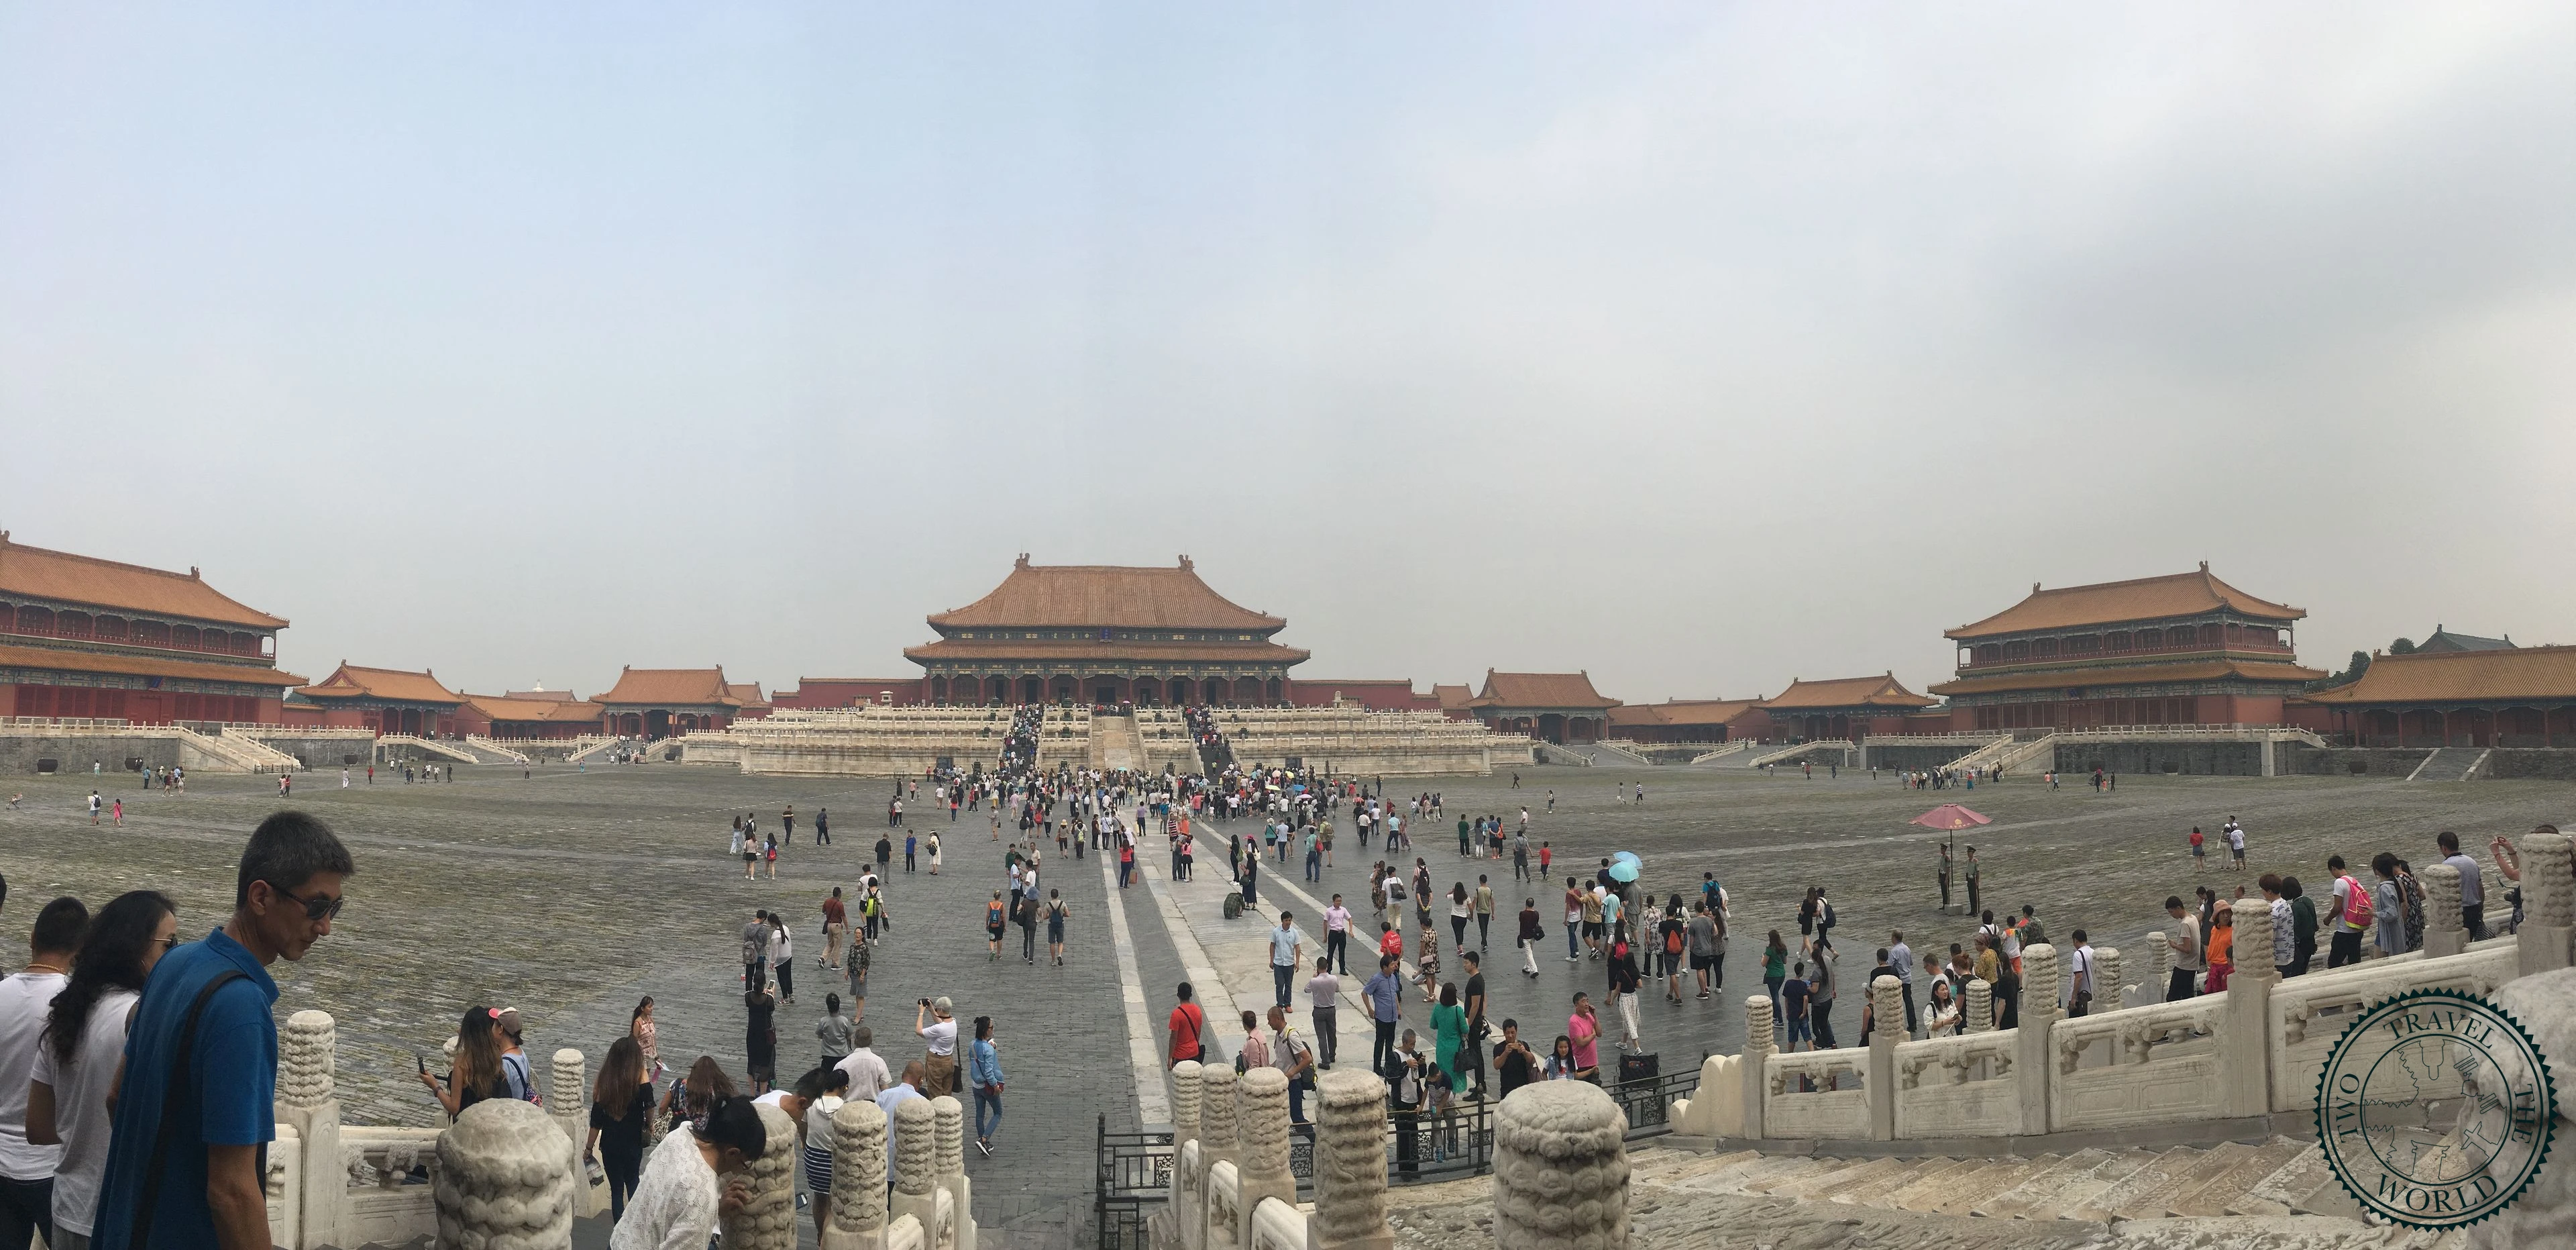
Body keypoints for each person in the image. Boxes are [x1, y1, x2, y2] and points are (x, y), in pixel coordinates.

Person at [93, 813, 352, 1250]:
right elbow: (231, 1192)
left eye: (334, 908)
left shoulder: (175, 962)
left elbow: (116, 1096)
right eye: (317, 906)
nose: (326, 926)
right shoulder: (241, 1007)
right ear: (261, 896)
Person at [0, 895, 86, 1250]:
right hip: (49, 1167)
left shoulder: (1, 992)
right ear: (81, 950)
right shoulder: (76, 1006)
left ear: (33, 937)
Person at [608, 1090, 761, 1250]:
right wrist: (707, 1210)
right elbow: (693, 1200)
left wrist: (715, 1209)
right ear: (733, 1153)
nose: (740, 1171)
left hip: (621, 1240)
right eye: (744, 1164)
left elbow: (671, 1204)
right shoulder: (704, 1196)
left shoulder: (682, 1133)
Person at [583, 1037, 657, 1222]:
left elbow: (596, 1122)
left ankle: (618, 1232)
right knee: (633, 1182)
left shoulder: (605, 1080)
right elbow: (649, 1104)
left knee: (616, 1190)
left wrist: (589, 1148)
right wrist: (650, 1124)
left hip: (610, 1144)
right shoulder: (639, 1076)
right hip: (632, 1142)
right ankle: (636, 1227)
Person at [2438, 831, 2487, 940]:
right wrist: (2480, 907)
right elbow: (2480, 888)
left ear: (2443, 848)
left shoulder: (2445, 866)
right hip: (2475, 909)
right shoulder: (2472, 862)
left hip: (2459, 913)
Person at [967, 1017, 1005, 1157]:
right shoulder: (988, 1050)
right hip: (987, 1086)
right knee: (998, 1112)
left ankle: (982, 1142)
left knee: (980, 1114)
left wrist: (990, 1046)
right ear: (985, 1030)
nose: (993, 1030)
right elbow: (989, 1071)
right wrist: (995, 1086)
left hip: (976, 1085)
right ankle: (984, 1139)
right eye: (991, 1028)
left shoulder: (972, 1045)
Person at [2325, 855, 2371, 968]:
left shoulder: (2339, 882)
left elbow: (2337, 907)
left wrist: (2328, 919)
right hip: (2357, 929)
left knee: (2333, 963)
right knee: (2355, 962)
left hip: (2345, 931)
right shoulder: (2354, 881)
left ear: (2333, 868)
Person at [1363, 956, 1403, 1076]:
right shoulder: (1376, 979)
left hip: (1393, 1016)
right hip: (1382, 1016)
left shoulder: (1393, 978)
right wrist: (1370, 1009)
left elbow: (1394, 994)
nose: (1394, 967)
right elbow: (1364, 993)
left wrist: (1398, 1008)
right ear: (1384, 967)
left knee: (1390, 1042)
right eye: (1391, 965)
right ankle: (1377, 1066)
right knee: (1380, 1042)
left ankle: (1389, 1064)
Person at [835, 1025, 892, 1102]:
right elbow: (885, 1090)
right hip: (872, 1107)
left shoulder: (842, 1064)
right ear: (871, 1041)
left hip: (849, 1107)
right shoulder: (879, 1062)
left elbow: (836, 1091)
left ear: (855, 1041)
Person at [2163, 897, 2204, 1000]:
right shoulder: (2193, 918)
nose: (2171, 915)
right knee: (2188, 996)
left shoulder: (2184, 924)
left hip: (2183, 966)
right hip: (2193, 965)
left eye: (2172, 912)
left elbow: (2187, 949)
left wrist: (2174, 946)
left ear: (2178, 908)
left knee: (2172, 997)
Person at [918, 997, 959, 1096]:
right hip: (948, 1061)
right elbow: (941, 1022)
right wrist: (932, 1009)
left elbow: (919, 1031)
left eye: (937, 1009)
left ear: (940, 1010)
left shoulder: (939, 1029)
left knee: (935, 1093)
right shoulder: (953, 1022)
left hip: (936, 1063)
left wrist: (921, 1013)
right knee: (947, 1093)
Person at [1307, 957, 1340, 1070]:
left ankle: (1325, 1061)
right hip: (1331, 1009)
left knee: (1322, 1037)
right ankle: (1332, 1055)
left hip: (1319, 1010)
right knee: (1332, 1034)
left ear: (1317, 967)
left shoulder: (1314, 981)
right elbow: (1337, 990)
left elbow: (1307, 990)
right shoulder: (1334, 979)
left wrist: (1314, 978)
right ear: (1327, 966)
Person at [1493, 1019, 1537, 1099]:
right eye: (1508, 1033)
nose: (1510, 1036)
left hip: (1523, 1087)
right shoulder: (1499, 1048)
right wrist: (1505, 1053)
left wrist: (1525, 1052)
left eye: (1513, 1032)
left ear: (1516, 1032)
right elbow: (1496, 1065)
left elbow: (1532, 1061)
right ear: (1504, 1033)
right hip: (1507, 1089)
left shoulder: (1523, 1045)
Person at [1168, 983, 1208, 1069]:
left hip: (1180, 1055)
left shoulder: (1176, 1014)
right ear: (1190, 995)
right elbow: (1198, 1032)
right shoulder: (1197, 1010)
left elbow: (1173, 1038)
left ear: (1178, 995)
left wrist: (1170, 1058)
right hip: (1194, 1052)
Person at [1269, 910, 1303, 1009]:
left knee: (1288, 985)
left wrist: (1297, 963)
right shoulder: (1276, 931)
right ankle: (1280, 1004)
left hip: (1289, 963)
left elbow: (1297, 948)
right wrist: (1272, 960)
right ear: (1282, 921)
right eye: (1286, 920)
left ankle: (1287, 1004)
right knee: (1279, 984)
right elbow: (1272, 946)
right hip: (1278, 963)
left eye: (1289, 920)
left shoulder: (1294, 932)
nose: (1288, 922)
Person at [1564, 993, 1601, 1082]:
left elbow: (1599, 1033)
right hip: (1582, 1064)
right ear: (1576, 1005)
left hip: (1593, 1062)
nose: (1586, 1004)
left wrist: (1594, 1016)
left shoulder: (1589, 1016)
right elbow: (1581, 1043)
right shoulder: (1574, 1021)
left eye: (1587, 1001)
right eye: (1583, 1001)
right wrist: (1593, 1035)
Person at [1780, 961, 1813, 1051]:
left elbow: (1786, 999)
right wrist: (1804, 1012)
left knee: (1792, 1038)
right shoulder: (1803, 985)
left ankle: (1790, 1055)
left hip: (1792, 1014)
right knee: (1807, 1037)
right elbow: (1806, 999)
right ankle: (1812, 1053)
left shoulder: (1788, 983)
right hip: (1802, 1015)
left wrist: (1787, 1012)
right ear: (1802, 971)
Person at [818, 992, 854, 1066]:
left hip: (827, 1054)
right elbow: (849, 1035)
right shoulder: (844, 1021)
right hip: (842, 1054)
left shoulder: (823, 1021)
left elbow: (819, 1035)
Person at [1762, 930, 1788, 1023]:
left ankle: (1779, 1020)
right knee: (1775, 995)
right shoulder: (1783, 948)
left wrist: (1763, 956)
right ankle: (1775, 1016)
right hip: (1782, 974)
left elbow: (1763, 964)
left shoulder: (1769, 950)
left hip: (1772, 975)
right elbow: (1785, 962)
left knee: (1775, 998)